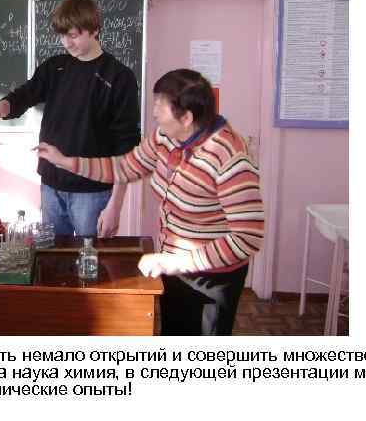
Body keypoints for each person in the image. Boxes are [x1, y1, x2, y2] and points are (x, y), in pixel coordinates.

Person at [37, 69, 264, 335]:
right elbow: (125, 167)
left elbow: (247, 238)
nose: (154, 113)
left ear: (186, 117)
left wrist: (175, 262)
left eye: (159, 106)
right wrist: (66, 162)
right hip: (174, 265)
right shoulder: (166, 137)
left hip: (212, 277)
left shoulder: (229, 158)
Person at [0, 0, 140, 237]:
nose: (67, 43)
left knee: (89, 256)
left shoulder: (119, 77)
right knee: (52, 254)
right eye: (62, 36)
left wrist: (115, 205)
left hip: (92, 191)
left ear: (95, 29)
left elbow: (126, 146)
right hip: (51, 185)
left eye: (73, 35)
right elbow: (25, 95)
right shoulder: (55, 67)